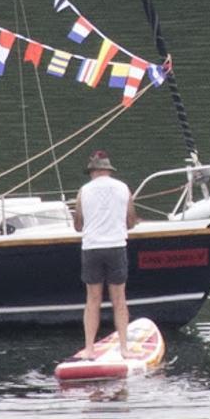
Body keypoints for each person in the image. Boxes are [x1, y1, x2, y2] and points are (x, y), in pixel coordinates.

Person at [73, 150, 138, 360]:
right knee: (119, 299)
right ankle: (124, 348)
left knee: (93, 300)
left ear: (92, 171)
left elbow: (78, 225)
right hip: (116, 246)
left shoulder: (83, 191)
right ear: (108, 170)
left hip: (92, 248)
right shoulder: (123, 188)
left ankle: (90, 349)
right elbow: (130, 222)